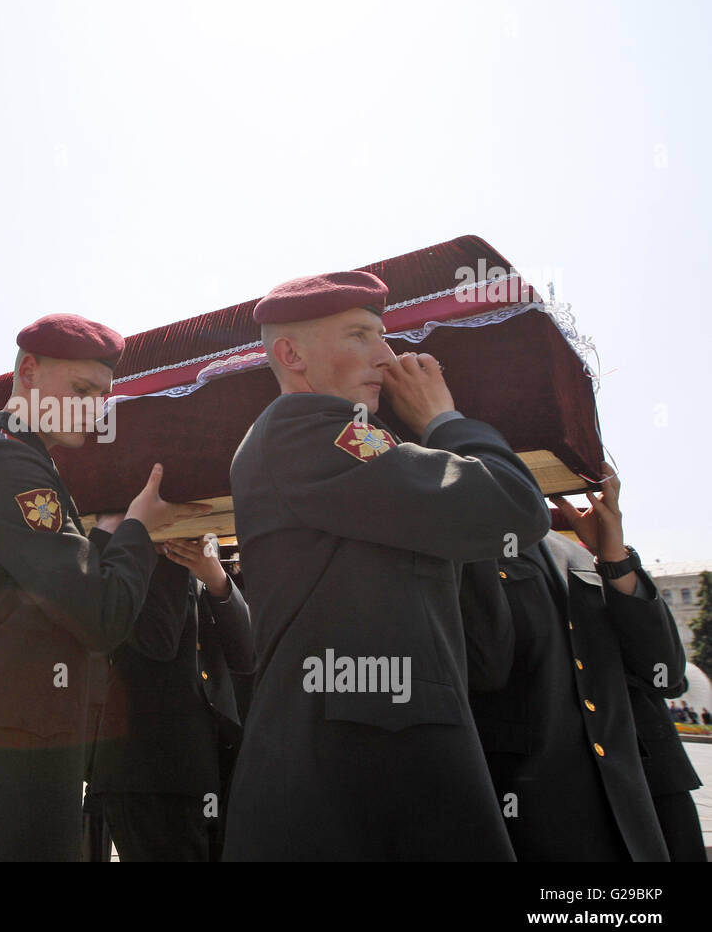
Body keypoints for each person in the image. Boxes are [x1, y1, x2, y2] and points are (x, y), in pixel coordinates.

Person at [223, 271, 550, 861]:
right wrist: (444, 423)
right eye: (360, 336)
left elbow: (486, 650)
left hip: (387, 771)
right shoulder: (310, 429)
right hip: (351, 777)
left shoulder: (364, 445)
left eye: (385, 336)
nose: (387, 356)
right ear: (290, 354)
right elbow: (513, 507)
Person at [0, 313, 210, 861]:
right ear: (29, 373)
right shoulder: (5, 465)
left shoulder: (26, 462)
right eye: (82, 390)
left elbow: (56, 598)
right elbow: (100, 617)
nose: (95, 408)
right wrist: (137, 528)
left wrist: (110, 539)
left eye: (103, 395)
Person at [463, 464, 683, 860]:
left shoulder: (572, 549)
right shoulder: (461, 538)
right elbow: (487, 668)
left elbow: (663, 673)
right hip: (532, 815)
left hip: (633, 810)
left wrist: (613, 557)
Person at [89, 537, 253, 861]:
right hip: (150, 778)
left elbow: (247, 656)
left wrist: (216, 578)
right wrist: (167, 554)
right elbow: (160, 641)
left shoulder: (204, 552)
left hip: (212, 772)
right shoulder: (124, 549)